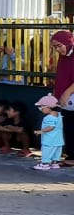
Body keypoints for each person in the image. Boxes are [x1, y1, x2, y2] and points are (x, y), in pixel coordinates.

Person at [49, 31, 74, 162]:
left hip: (70, 97)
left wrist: (66, 93)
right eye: (55, 47)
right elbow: (61, 78)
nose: (58, 50)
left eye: (59, 46)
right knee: (68, 126)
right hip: (68, 102)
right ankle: (71, 155)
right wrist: (56, 94)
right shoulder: (63, 57)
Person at [33, 95, 64, 170]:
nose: (40, 109)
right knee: (56, 152)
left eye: (41, 107)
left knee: (47, 151)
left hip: (49, 140)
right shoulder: (59, 115)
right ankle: (55, 164)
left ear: (48, 107)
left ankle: (45, 164)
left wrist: (40, 131)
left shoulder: (48, 117)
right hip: (58, 139)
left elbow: (51, 127)